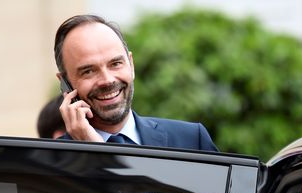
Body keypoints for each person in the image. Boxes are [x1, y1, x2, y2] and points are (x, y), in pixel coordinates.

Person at [55, 14, 217, 151]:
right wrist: (95, 154)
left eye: (115, 64)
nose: (107, 80)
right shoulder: (46, 165)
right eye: (88, 71)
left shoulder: (192, 140)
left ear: (131, 64)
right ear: (65, 83)